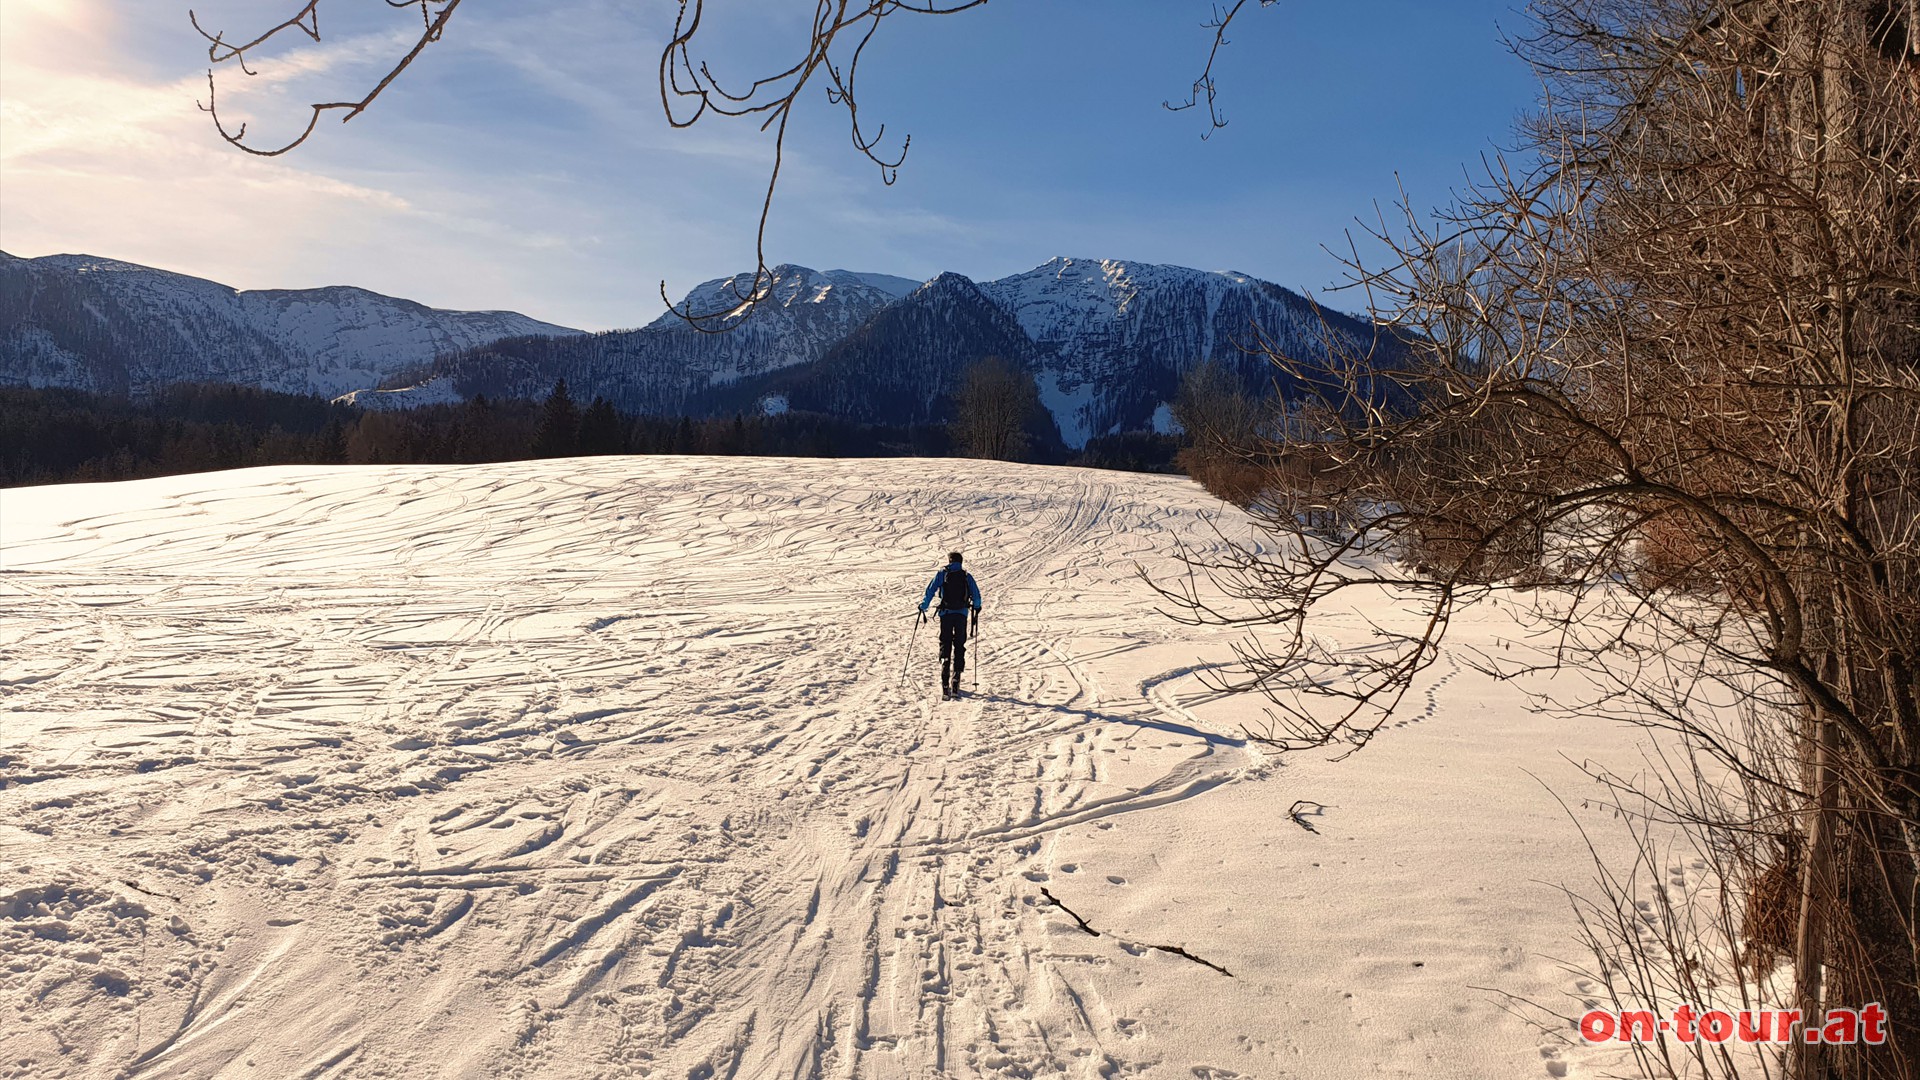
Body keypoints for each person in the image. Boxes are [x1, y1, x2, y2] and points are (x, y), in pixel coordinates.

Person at [918, 551, 982, 698]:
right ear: (961, 561)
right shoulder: (966, 576)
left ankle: (945, 676)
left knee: (945, 642)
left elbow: (931, 590)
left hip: (946, 614)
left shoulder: (942, 573)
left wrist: (923, 606)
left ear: (950, 560)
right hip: (961, 614)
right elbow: (976, 596)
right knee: (959, 644)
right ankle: (956, 678)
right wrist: (977, 607)